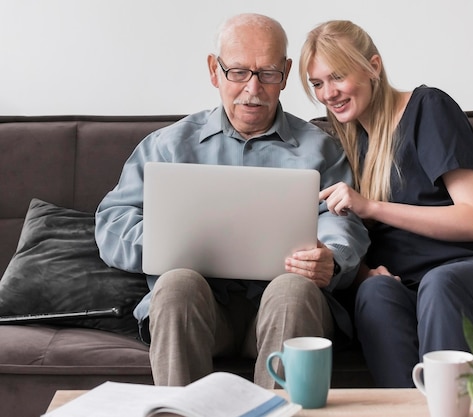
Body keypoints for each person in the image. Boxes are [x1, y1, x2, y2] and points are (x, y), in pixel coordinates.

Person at [95, 13, 368, 388]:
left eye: (268, 73)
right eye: (238, 72)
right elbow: (112, 220)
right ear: (214, 70)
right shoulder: (168, 145)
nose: (252, 89)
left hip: (284, 305)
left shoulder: (320, 148)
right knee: (175, 285)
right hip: (200, 308)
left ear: (286, 74)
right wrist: (165, 243)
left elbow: (343, 221)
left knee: (292, 289)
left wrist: (331, 259)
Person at [299, 20, 473, 388]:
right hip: (409, 288)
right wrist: (364, 274)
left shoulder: (428, 108)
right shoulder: (343, 142)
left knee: (441, 285)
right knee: (374, 294)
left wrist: (372, 207)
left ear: (373, 67)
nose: (328, 93)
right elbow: (344, 233)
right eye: (317, 83)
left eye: (338, 76)